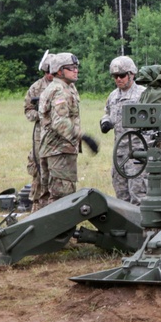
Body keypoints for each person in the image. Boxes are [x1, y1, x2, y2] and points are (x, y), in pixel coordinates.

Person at [36, 53, 98, 209]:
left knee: (48, 196)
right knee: (62, 199)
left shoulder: (58, 87)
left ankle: (48, 231)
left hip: (51, 150)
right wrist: (84, 137)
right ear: (59, 71)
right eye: (70, 68)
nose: (75, 71)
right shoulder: (60, 90)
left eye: (76, 67)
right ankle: (59, 233)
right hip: (60, 152)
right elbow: (60, 123)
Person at [100, 55, 147, 204]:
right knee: (121, 194)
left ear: (131, 74)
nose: (118, 79)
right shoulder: (113, 96)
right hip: (119, 153)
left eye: (121, 75)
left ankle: (141, 226)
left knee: (138, 193)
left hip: (137, 153)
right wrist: (105, 122)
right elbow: (107, 112)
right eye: (115, 76)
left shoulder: (143, 94)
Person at [24, 51, 54, 208]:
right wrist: (41, 114)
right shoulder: (36, 88)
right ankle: (38, 205)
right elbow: (28, 111)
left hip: (58, 134)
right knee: (39, 170)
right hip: (40, 134)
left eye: (52, 71)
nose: (49, 75)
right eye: (46, 72)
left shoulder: (66, 86)